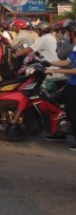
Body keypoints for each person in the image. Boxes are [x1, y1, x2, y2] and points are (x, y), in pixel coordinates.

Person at [45, 21, 76, 151]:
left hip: (75, 85)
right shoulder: (74, 47)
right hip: (71, 83)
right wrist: (47, 62)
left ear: (73, 33)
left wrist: (57, 71)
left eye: (67, 32)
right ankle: (61, 132)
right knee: (56, 101)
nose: (65, 35)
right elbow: (66, 62)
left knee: (71, 111)